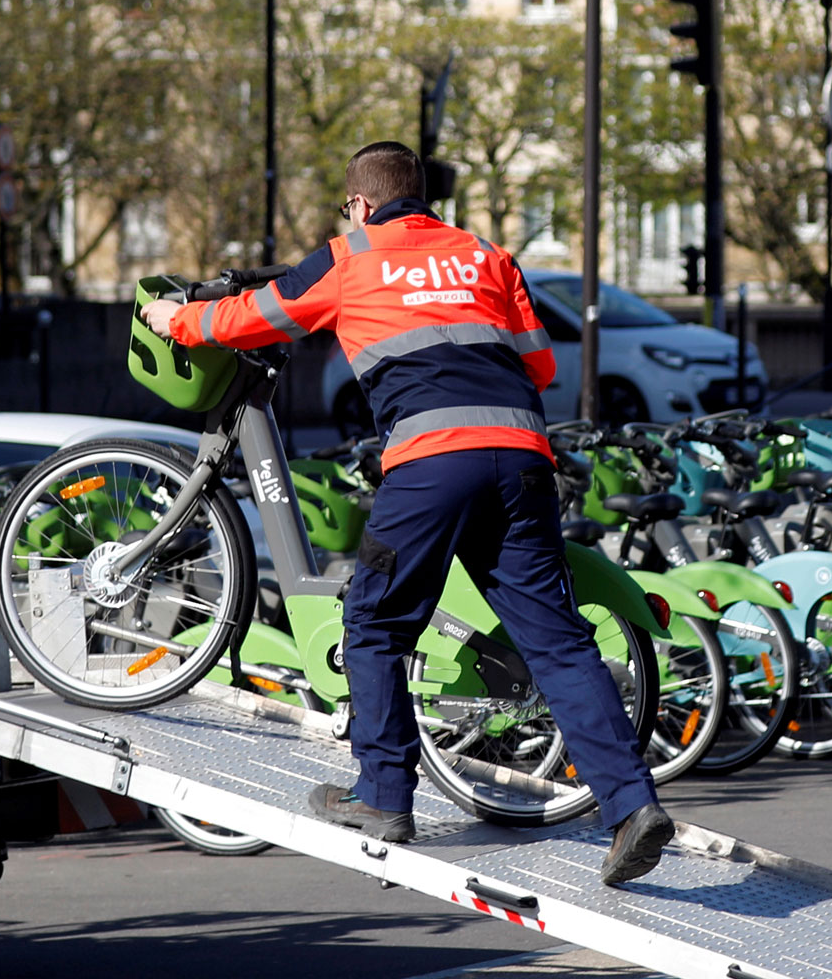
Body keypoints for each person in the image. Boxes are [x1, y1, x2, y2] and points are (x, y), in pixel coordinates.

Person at [139, 141, 671, 885]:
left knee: (376, 621)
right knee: (557, 642)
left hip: (431, 461)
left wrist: (179, 318)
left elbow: (254, 317)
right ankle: (630, 806)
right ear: (423, 197)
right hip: (521, 457)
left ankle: (384, 795)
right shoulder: (487, 255)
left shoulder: (350, 255)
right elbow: (542, 366)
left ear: (359, 203)